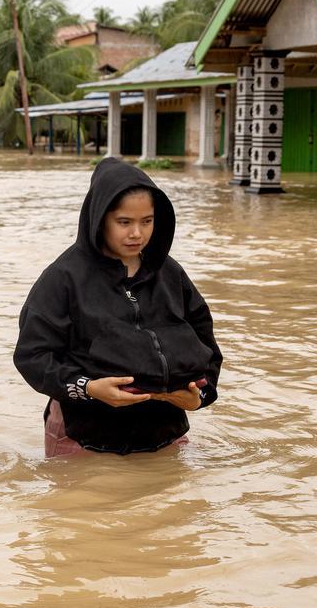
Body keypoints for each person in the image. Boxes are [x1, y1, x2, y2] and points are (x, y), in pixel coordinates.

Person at [14, 158, 222, 457]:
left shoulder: (171, 274)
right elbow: (32, 356)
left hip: (163, 434)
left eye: (147, 221)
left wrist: (200, 397)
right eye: (124, 222)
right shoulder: (64, 277)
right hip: (83, 436)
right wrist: (88, 388)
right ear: (99, 219)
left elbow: (205, 341)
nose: (137, 233)